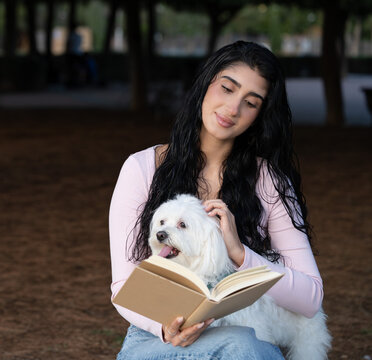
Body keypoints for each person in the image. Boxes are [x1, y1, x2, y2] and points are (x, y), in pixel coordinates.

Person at [109, 41, 324, 359]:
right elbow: (124, 286)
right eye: (227, 88)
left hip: (242, 334)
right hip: (156, 338)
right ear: (206, 84)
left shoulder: (269, 181)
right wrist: (165, 328)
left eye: (250, 102)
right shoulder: (142, 167)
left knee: (241, 344)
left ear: (260, 115)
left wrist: (239, 253)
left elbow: (311, 296)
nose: (233, 109)